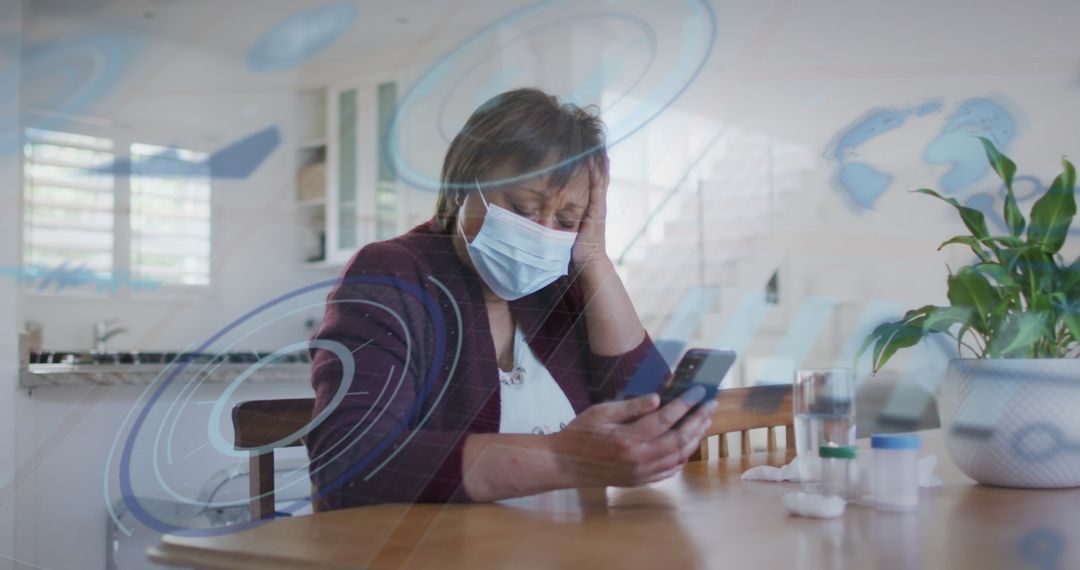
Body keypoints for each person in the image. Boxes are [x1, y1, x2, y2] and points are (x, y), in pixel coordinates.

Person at [306, 88, 717, 509]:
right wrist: (564, 457)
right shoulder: (392, 274)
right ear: (464, 182)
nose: (541, 231)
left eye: (566, 219)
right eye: (521, 208)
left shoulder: (561, 287)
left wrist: (595, 259)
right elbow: (349, 458)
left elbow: (645, 420)